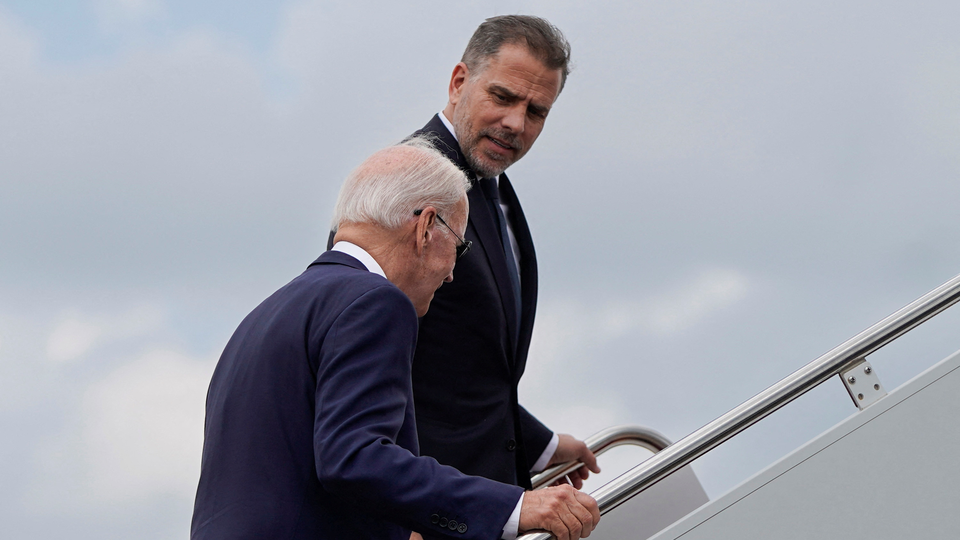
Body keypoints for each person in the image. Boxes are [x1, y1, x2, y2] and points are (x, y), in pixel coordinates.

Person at [191, 138, 600, 540]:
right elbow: (354, 458)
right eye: (459, 248)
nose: (452, 273)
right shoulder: (376, 301)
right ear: (425, 228)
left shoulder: (263, 318)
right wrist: (514, 506)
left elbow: (290, 472)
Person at [411, 16, 599, 491]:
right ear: (459, 83)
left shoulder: (491, 186)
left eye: (537, 111)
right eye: (503, 97)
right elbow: (362, 368)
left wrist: (541, 446)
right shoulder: (405, 184)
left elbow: (461, 377)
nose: (516, 122)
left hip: (478, 501)